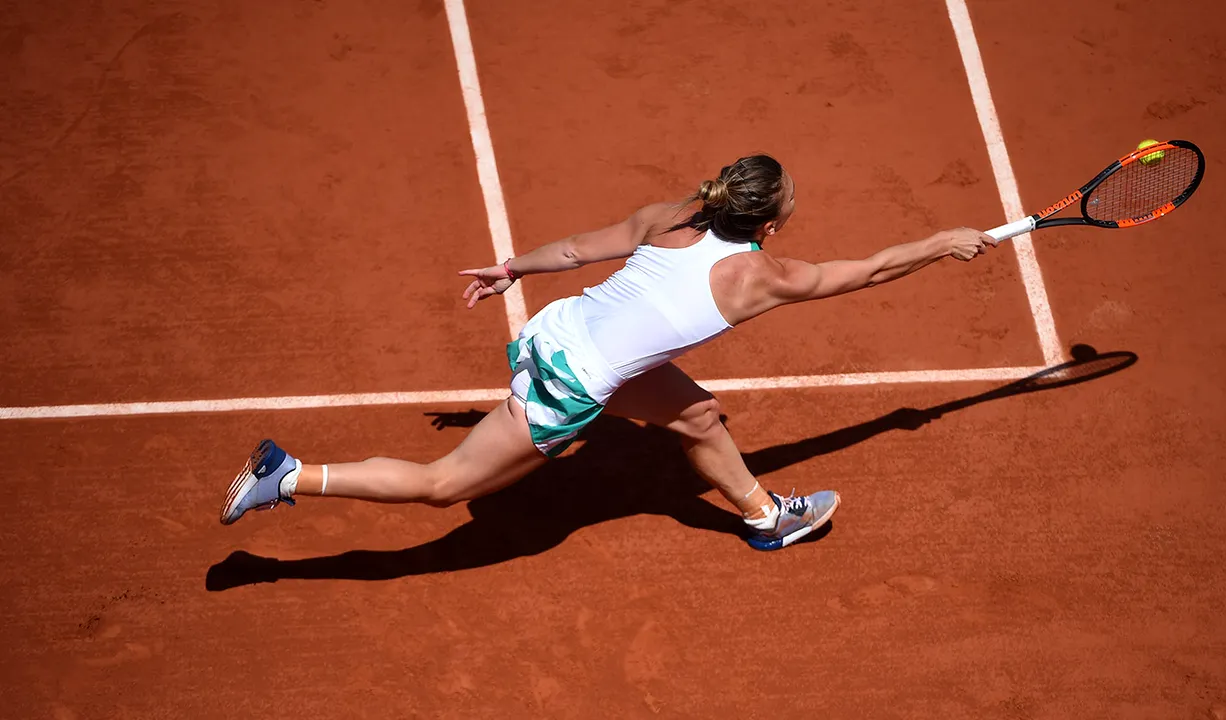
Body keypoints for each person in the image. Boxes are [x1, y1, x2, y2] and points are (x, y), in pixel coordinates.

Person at [220, 154, 995, 551]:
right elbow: (873, 270)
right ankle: (290, 476)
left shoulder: (672, 214)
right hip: (569, 382)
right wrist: (941, 243)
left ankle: (766, 516)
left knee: (695, 415)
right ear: (772, 219)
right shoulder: (764, 276)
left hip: (553, 329)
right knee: (443, 485)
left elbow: (575, 249)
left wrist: (510, 269)